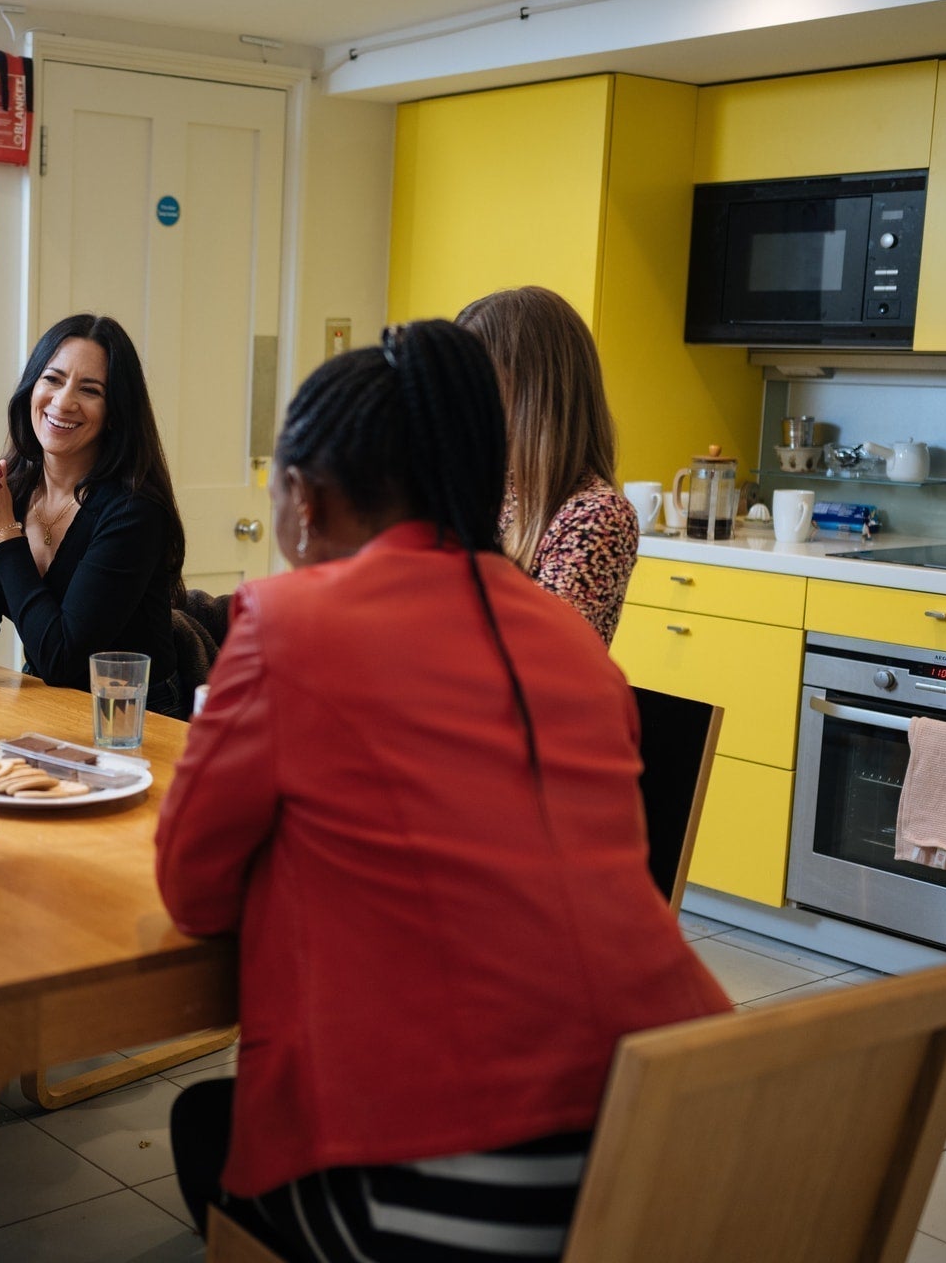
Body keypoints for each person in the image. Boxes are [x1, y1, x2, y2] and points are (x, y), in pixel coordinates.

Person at [155, 322, 729, 1263]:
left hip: (469, 1183)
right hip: (672, 1141)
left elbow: (193, 890)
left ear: (302, 499)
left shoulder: (291, 626)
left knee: (201, 1128)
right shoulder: (567, 639)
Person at [0, 314, 187, 716]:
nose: (63, 402)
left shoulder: (134, 511)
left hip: (133, 716)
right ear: (31, 388)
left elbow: (64, 660)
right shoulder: (12, 489)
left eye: (90, 390)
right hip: (48, 700)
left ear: (115, 412)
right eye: (52, 379)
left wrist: (3, 532)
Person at [457, 285, 637, 645]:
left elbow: (537, 651)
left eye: (473, 379)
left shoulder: (596, 516)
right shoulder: (475, 491)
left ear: (532, 391)